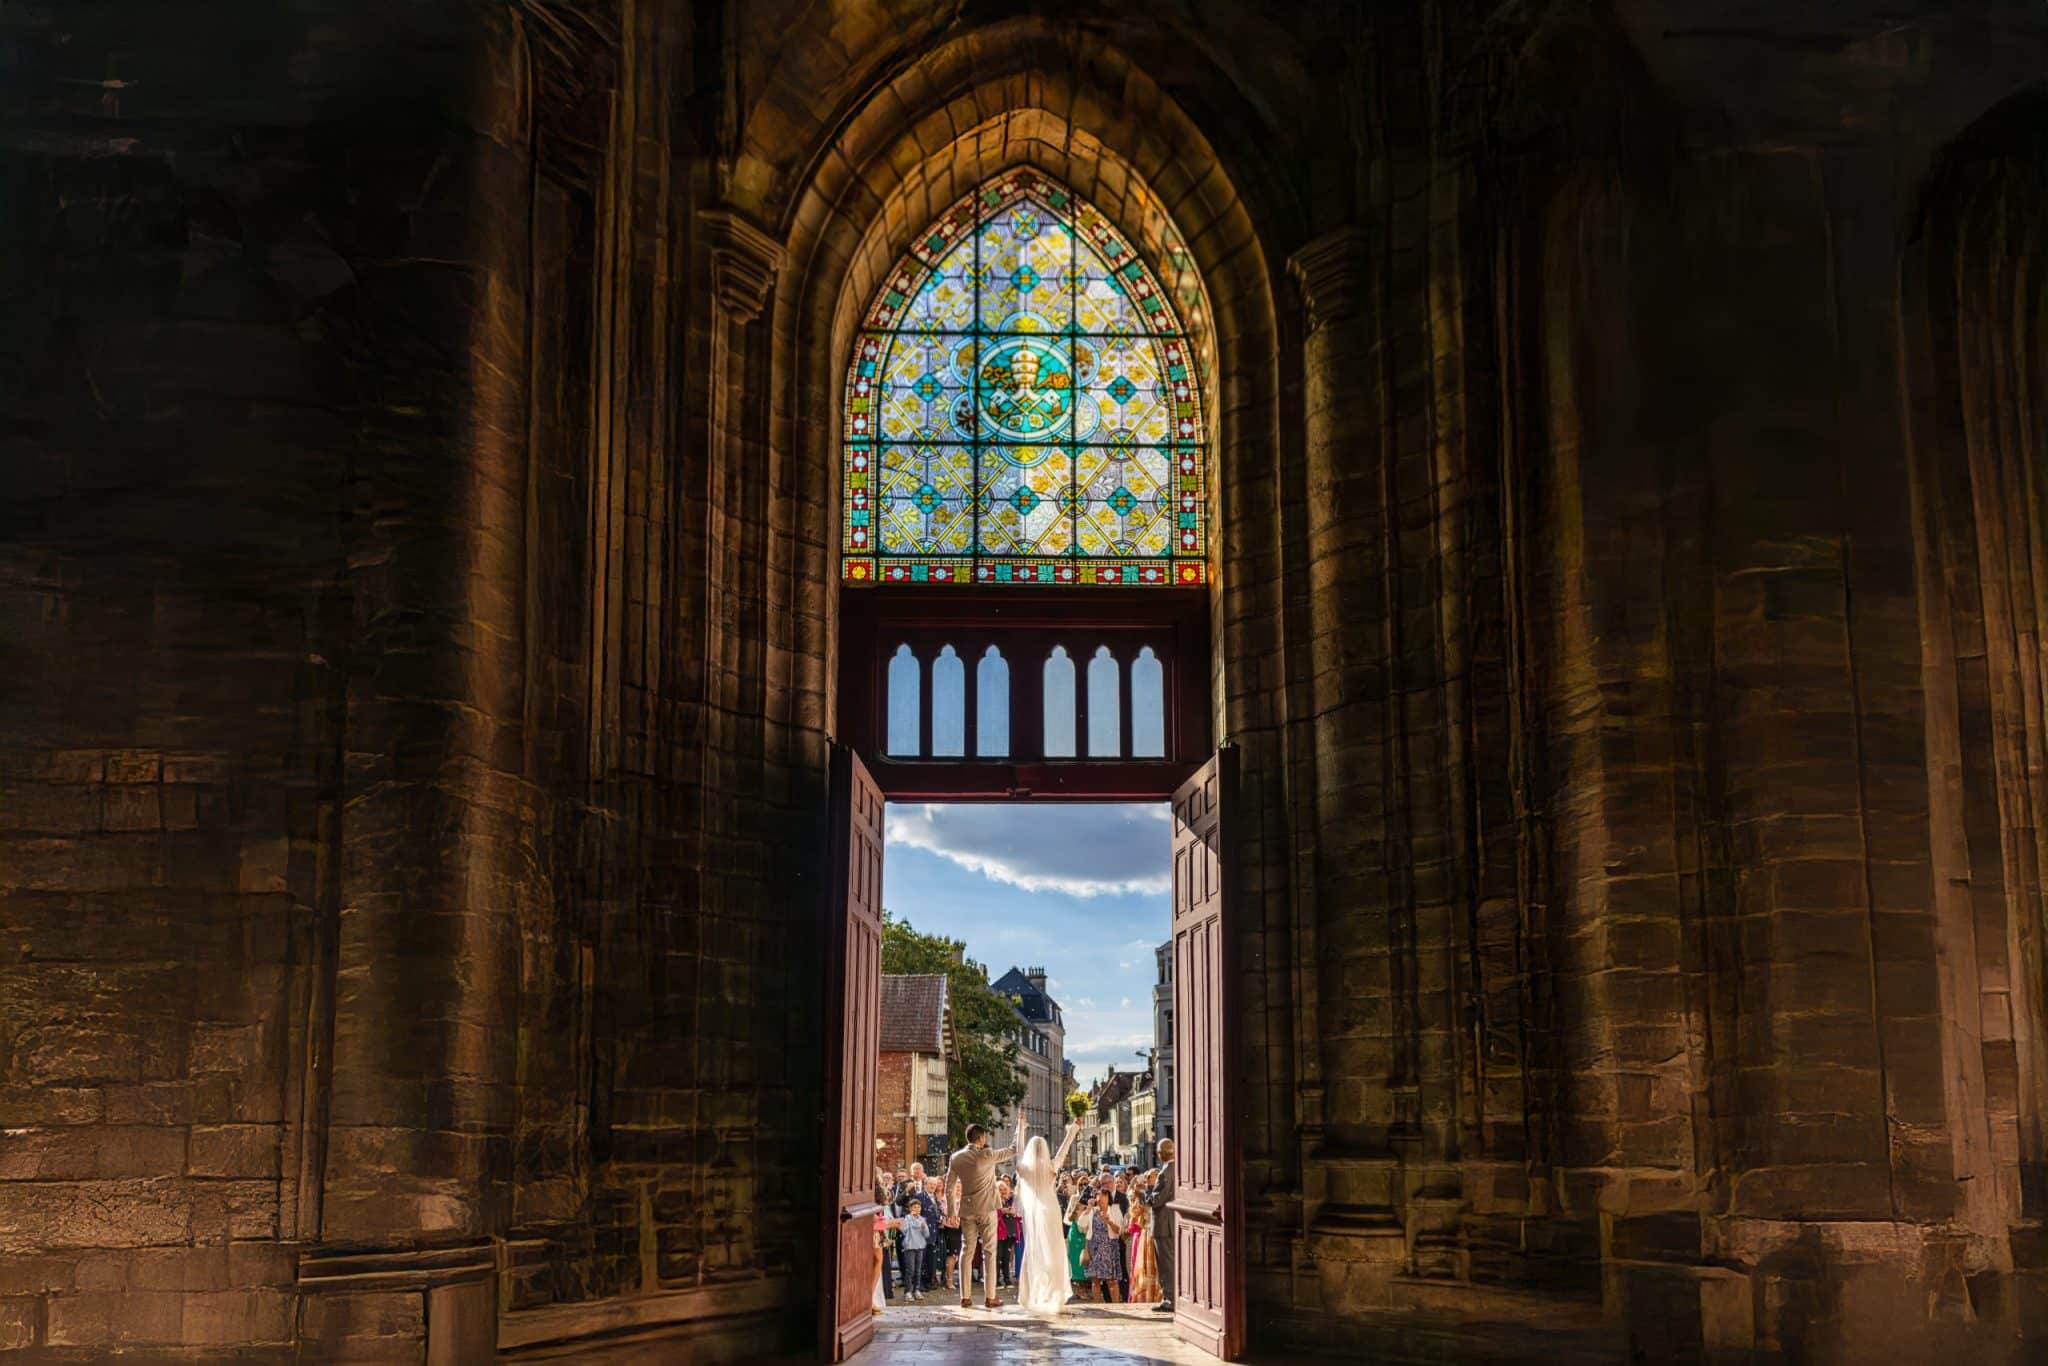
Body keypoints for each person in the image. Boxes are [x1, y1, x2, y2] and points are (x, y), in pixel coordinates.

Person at [947, 1118, 1019, 1309]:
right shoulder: (987, 1154)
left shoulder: (956, 1158)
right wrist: (1019, 1126)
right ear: (981, 1138)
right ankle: (990, 1296)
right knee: (989, 1252)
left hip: (967, 1209)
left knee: (966, 1251)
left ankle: (965, 1297)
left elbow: (949, 1186)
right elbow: (1013, 1149)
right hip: (987, 1209)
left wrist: (951, 1211)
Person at [1013, 1117, 1080, 1315]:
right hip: (1050, 1210)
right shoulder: (1052, 1166)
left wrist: (1020, 1128)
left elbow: (1018, 1151)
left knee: (1033, 1249)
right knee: (1054, 1250)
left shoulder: (1023, 1169)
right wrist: (1073, 1129)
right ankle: (1055, 1293)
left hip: (1034, 1211)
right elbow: (1064, 1149)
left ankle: (1028, 1295)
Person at [1140, 1138, 1175, 1311]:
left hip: (1163, 1224)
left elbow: (1156, 1200)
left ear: (1160, 1154)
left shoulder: (1165, 1172)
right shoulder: (1177, 1169)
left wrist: (1145, 1192)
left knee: (1166, 1264)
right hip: (1172, 1223)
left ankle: (1170, 1298)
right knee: (1172, 1262)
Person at [1077, 1186, 1127, 1302]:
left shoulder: (1114, 1210)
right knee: (1095, 1280)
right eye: (1099, 1196)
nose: (1101, 1199)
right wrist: (1088, 1209)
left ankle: (1116, 1306)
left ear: (1108, 1198)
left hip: (1109, 1248)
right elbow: (1081, 1225)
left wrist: (1109, 1221)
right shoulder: (1092, 1211)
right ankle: (1098, 1306)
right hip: (1093, 1249)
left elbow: (1119, 1231)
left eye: (1104, 1196)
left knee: (1112, 1281)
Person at [1127, 1174, 1161, 1304]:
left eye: (1151, 1178)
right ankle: (1146, 1296)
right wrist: (1138, 1196)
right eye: (1147, 1180)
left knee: (1158, 1267)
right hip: (1146, 1233)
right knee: (1145, 1267)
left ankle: (1159, 1295)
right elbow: (1134, 1214)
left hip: (1157, 1231)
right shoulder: (1143, 1194)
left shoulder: (1161, 1192)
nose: (1148, 1182)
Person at [899, 1195, 932, 1301]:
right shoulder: (907, 1218)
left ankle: (916, 1289)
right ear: (910, 1209)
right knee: (910, 1270)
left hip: (920, 1247)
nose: (917, 1209)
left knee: (918, 1270)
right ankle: (908, 1291)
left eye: (918, 1207)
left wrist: (924, 1227)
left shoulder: (922, 1219)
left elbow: (927, 1234)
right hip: (910, 1247)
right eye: (914, 1207)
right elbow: (903, 1230)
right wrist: (910, 1220)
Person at [995, 1179, 1019, 1289]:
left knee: (1006, 1256)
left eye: (1005, 1189)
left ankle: (1007, 1279)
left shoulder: (1009, 1201)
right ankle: (996, 1280)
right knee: (998, 1256)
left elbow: (1017, 1213)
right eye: (1000, 1189)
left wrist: (1013, 1212)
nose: (1003, 1191)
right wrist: (1002, 1211)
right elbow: (992, 1214)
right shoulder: (994, 1201)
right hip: (998, 1232)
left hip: (1009, 1232)